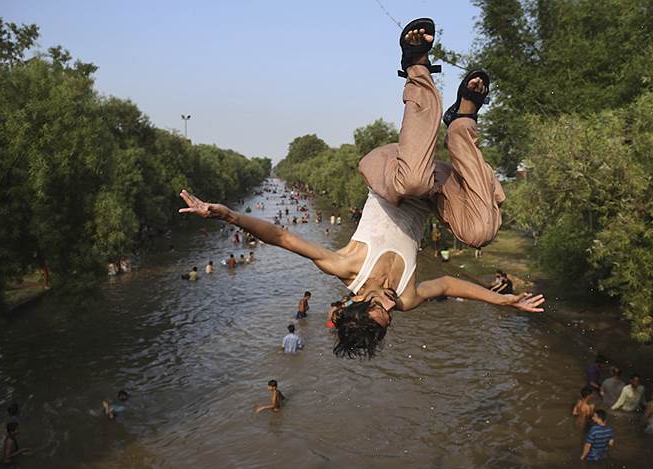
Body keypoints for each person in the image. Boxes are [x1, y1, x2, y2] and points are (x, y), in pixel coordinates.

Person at [178, 17, 545, 359]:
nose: (390, 305)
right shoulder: (405, 298)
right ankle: (462, 121)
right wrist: (502, 302)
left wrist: (227, 214)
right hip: (434, 189)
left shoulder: (345, 265)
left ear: (355, 304)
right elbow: (448, 284)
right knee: (480, 231)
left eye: (379, 309)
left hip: (394, 171)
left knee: (413, 179)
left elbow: (281, 237)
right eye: (390, 314)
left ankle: (416, 65)